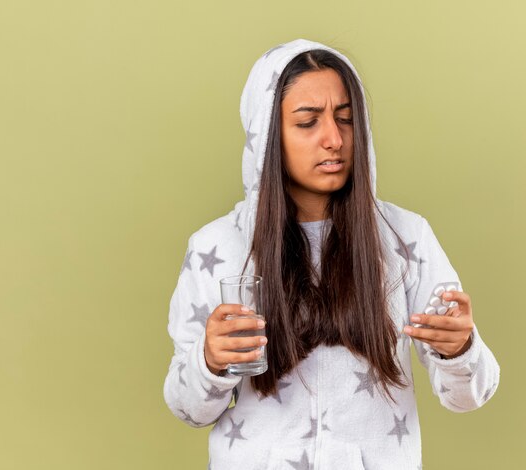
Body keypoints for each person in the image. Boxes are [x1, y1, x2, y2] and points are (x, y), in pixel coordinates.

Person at [163, 38, 500, 470]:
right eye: (308, 122)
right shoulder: (216, 247)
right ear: (267, 136)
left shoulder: (405, 237)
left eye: (345, 119)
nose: (334, 139)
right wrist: (209, 362)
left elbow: (467, 397)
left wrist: (460, 349)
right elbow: (187, 408)